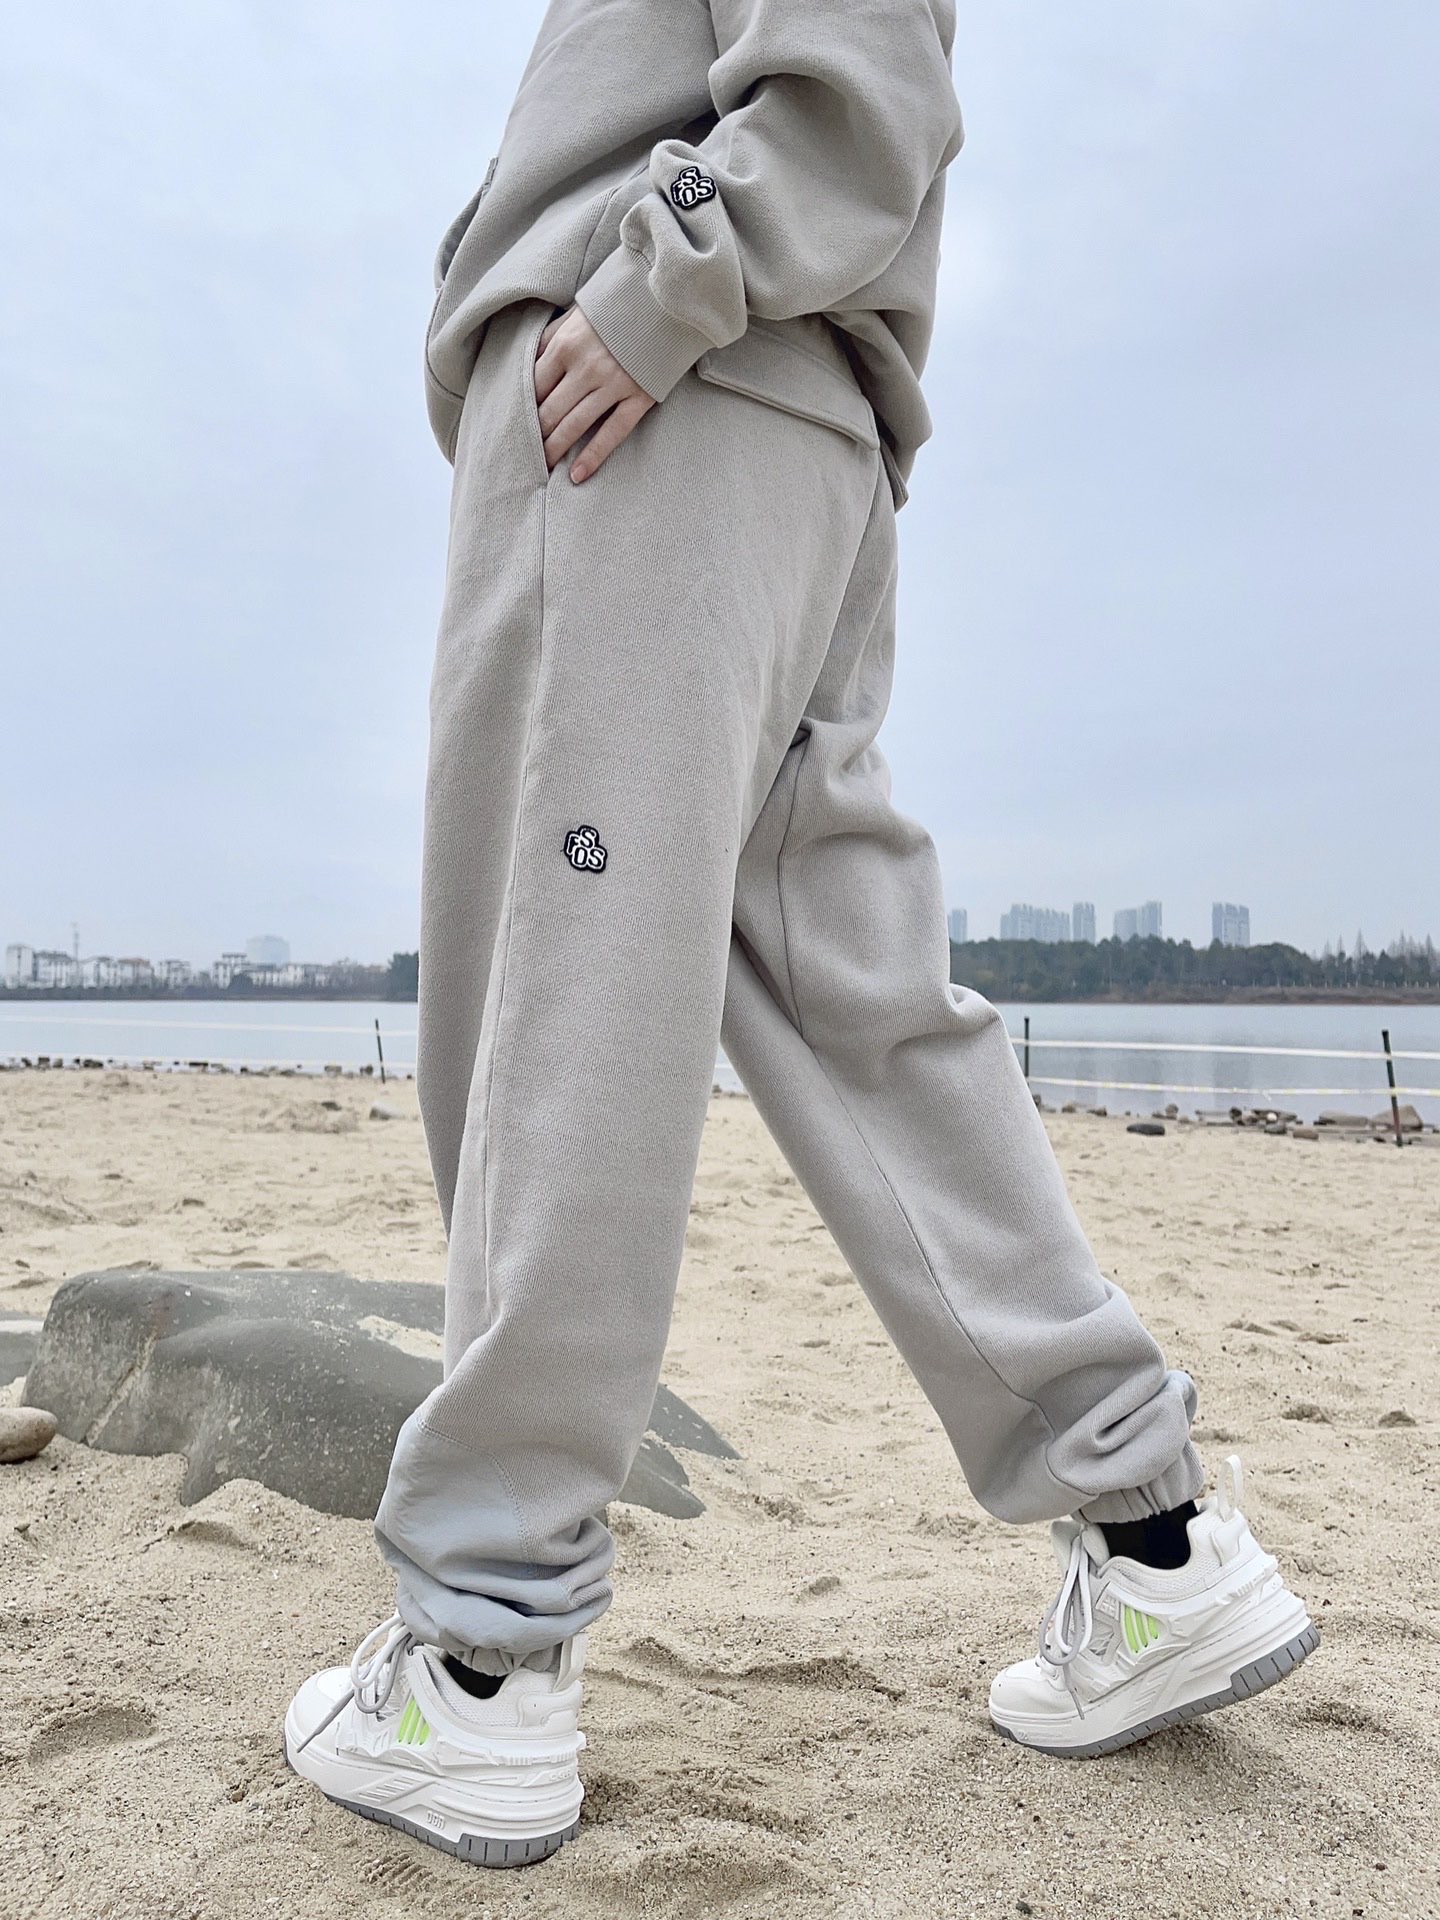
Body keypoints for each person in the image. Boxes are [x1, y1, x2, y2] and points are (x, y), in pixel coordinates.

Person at [284, 0, 1316, 1868]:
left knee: (566, 993)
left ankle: (482, 1665)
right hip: (800, 408)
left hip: (653, 396)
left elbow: (859, 73)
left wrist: (658, 282)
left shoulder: (666, 296)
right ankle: (1152, 1533)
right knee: (859, 1001)